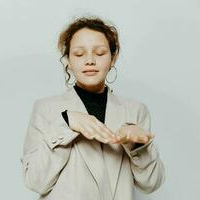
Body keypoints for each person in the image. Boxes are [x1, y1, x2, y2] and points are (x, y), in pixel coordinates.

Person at [20, 16, 165, 200]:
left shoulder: (135, 110)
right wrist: (67, 123)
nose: (89, 60)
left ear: (113, 57)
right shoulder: (46, 109)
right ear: (68, 61)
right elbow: (35, 181)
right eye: (79, 54)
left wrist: (138, 146)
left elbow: (151, 184)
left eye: (100, 53)